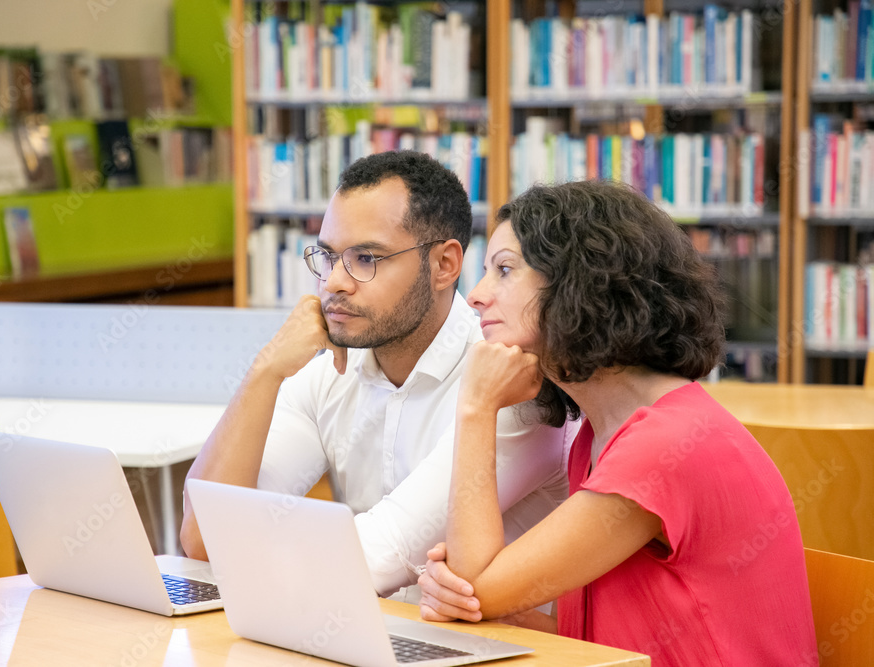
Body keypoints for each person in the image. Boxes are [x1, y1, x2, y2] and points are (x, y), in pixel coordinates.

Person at [417, 180, 818, 665]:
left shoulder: (665, 445)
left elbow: (479, 579)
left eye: (504, 270)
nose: (477, 296)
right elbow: (607, 627)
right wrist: (475, 599)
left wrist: (476, 408)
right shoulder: (597, 434)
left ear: (579, 281)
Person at [180, 151, 576, 600]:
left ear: (445, 265)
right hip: (371, 635)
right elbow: (202, 540)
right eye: (328, 257)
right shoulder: (330, 369)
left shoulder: (511, 383)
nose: (333, 283)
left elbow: (370, 561)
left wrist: (242, 548)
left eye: (365, 258)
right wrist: (266, 369)